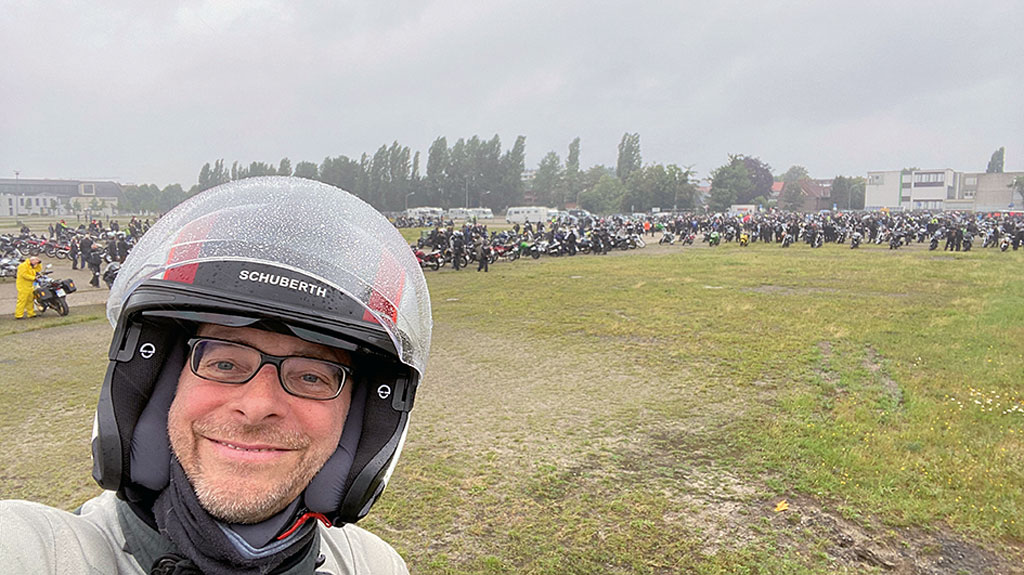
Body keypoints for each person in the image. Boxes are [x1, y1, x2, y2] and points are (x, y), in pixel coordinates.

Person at [0, 177, 431, 574]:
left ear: (358, 414)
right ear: (158, 385)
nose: (257, 406)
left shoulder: (373, 566)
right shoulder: (40, 552)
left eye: (312, 377)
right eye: (224, 363)